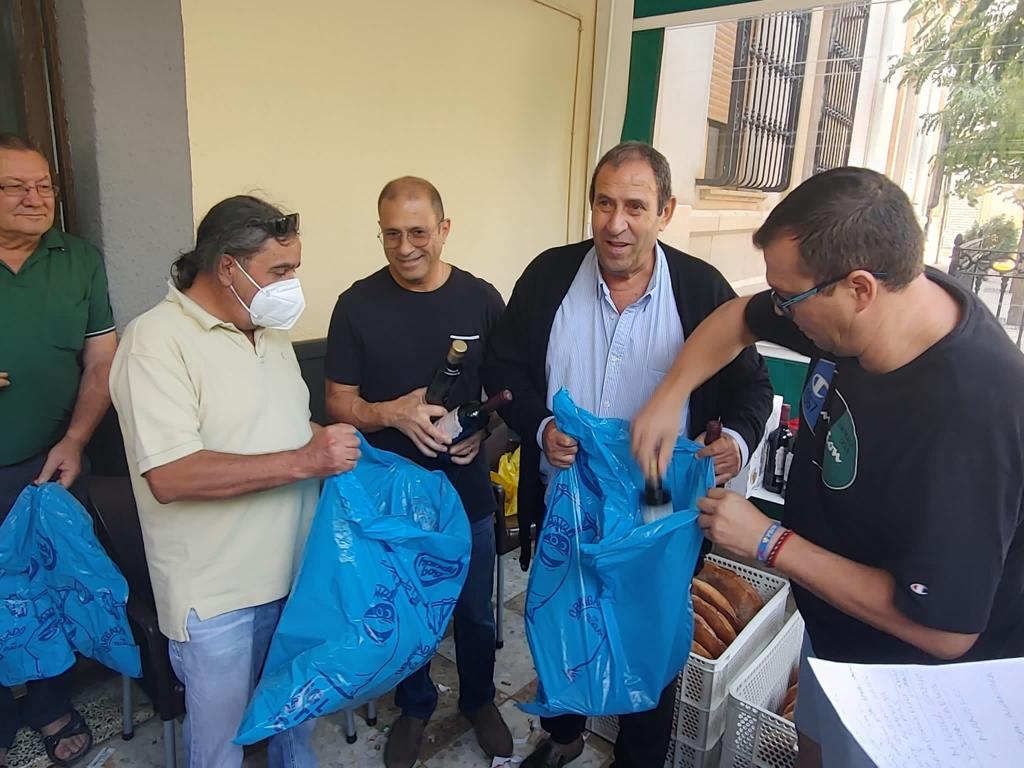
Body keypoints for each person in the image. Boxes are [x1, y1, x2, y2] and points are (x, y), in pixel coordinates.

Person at [631, 166, 1024, 767]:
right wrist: (668, 397)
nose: (780, 312)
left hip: (915, 695)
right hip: (833, 635)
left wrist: (769, 541)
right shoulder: (872, 306)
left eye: (790, 298)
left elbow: (945, 630)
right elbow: (739, 318)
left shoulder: (971, 414)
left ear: (860, 289)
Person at [483, 141, 773, 768]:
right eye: (604, 203)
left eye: (636, 207)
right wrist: (537, 428)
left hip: (655, 497)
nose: (617, 223)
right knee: (565, 617)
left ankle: (638, 759)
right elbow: (504, 367)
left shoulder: (700, 289)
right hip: (567, 489)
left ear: (665, 212)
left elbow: (753, 386)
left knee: (655, 627)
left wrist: (737, 443)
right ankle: (563, 737)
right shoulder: (547, 277)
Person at [110, 195, 361, 767]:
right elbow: (171, 475)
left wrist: (344, 444)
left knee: (294, 729)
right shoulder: (154, 342)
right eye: (280, 270)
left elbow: (283, 430)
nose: (292, 283)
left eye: (294, 267)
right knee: (222, 749)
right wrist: (308, 460)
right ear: (227, 266)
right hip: (219, 599)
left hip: (296, 576)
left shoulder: (266, 333)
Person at [325, 176, 511, 768]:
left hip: (467, 490)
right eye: (392, 235)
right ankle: (416, 704)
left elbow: (508, 394)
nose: (406, 247)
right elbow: (337, 401)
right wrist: (390, 413)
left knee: (476, 610)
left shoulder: (481, 300)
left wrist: (485, 435)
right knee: (409, 609)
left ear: (444, 230)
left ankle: (480, 700)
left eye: (419, 232)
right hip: (391, 496)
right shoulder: (356, 305)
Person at [0, 133, 117, 767]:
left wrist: (75, 438)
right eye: (15, 186)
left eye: (43, 185)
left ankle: (48, 703)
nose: (34, 197)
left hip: (52, 458)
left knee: (45, 585)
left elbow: (101, 357)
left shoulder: (78, 259)